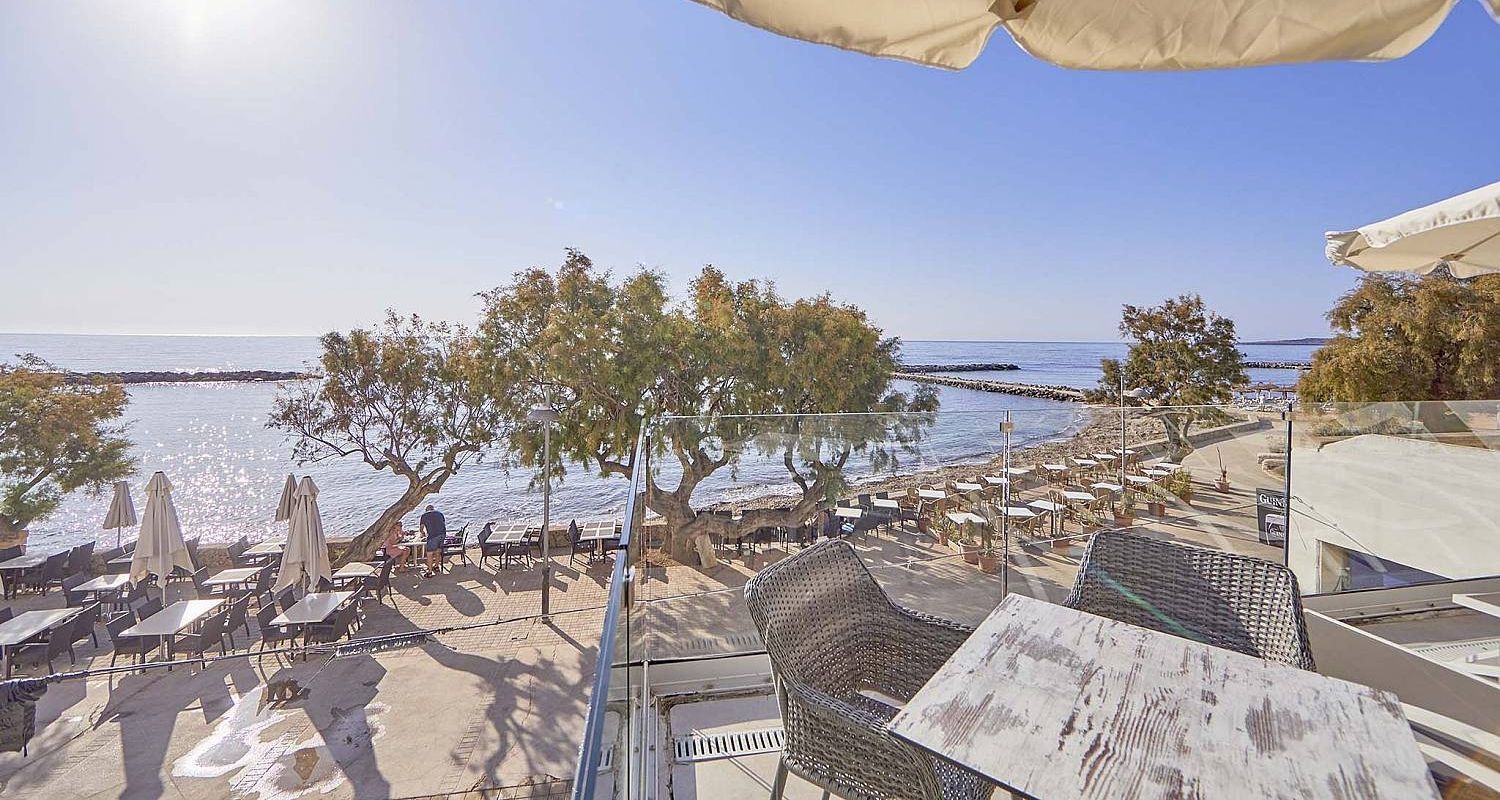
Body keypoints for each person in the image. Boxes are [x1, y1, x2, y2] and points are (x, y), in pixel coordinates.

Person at [419, 504, 447, 577]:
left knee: (429, 554)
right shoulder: (440, 514)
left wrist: (423, 534)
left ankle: (430, 571)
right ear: (433, 509)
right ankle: (436, 566)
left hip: (433, 536)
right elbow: (443, 524)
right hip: (442, 534)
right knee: (438, 551)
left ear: (426, 510)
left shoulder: (424, 515)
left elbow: (421, 528)